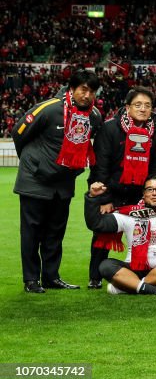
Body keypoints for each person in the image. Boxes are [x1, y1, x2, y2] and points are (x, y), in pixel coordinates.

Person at [15, 69, 104, 293]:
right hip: (35, 182)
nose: (87, 95)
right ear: (72, 88)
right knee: (31, 233)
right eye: (83, 89)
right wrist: (34, 164)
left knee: (55, 232)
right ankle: (31, 280)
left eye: (92, 91)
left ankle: (51, 277)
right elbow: (19, 132)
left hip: (63, 184)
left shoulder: (93, 116)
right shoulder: (49, 108)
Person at [88, 86, 156, 289]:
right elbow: (100, 166)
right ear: (127, 107)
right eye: (138, 104)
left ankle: (139, 272)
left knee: (143, 235)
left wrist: (151, 195)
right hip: (112, 192)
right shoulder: (110, 128)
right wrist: (105, 199)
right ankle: (95, 276)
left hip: (141, 194)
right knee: (103, 235)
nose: (143, 109)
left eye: (147, 105)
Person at [83, 174, 156, 296]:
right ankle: (154, 290)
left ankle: (127, 286)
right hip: (134, 270)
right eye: (149, 189)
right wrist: (93, 197)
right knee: (106, 266)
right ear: (144, 193)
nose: (154, 193)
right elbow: (96, 224)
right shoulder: (130, 213)